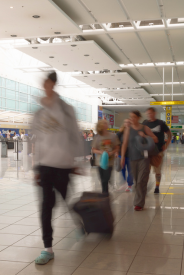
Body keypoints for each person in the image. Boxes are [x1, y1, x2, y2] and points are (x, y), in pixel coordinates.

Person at [32, 72, 82, 265]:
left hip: (63, 164)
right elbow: (37, 140)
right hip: (45, 166)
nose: (45, 86)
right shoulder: (39, 113)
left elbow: (75, 136)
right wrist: (36, 167)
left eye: (48, 83)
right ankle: (48, 248)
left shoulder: (66, 109)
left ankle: (79, 222)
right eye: (43, 84)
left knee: (67, 199)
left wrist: (76, 162)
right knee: (46, 207)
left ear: (53, 84)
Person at [121, 110, 158, 211]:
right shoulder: (128, 129)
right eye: (130, 117)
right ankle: (141, 197)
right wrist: (122, 157)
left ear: (138, 118)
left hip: (144, 158)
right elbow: (124, 143)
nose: (132, 119)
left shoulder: (144, 128)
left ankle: (139, 203)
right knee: (137, 181)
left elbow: (155, 139)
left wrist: (145, 136)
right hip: (132, 158)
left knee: (141, 180)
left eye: (134, 117)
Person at [142, 107, 171, 194]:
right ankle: (145, 187)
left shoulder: (160, 123)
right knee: (145, 170)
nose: (149, 115)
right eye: (148, 114)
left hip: (158, 151)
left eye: (150, 113)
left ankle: (157, 187)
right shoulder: (145, 123)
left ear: (154, 113)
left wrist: (166, 145)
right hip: (147, 151)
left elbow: (169, 134)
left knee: (157, 170)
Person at [92, 120, 119, 195]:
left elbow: (117, 148)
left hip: (109, 162)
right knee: (102, 180)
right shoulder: (97, 137)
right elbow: (93, 149)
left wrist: (111, 152)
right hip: (99, 162)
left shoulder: (113, 136)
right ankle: (105, 193)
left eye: (107, 123)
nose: (106, 124)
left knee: (106, 179)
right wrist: (101, 152)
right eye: (104, 123)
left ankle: (105, 193)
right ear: (100, 126)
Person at [117, 119, 133, 192]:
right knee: (122, 169)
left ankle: (129, 185)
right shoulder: (120, 132)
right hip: (121, 154)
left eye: (129, 122)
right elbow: (116, 142)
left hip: (131, 154)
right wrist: (116, 152)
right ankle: (124, 182)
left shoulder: (133, 132)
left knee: (130, 170)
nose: (127, 123)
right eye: (126, 122)